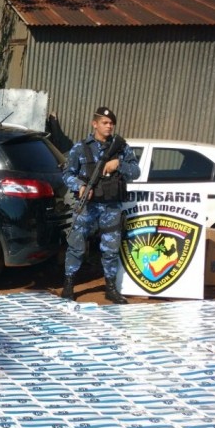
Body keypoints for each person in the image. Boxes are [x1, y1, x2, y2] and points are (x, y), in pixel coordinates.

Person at [61, 106, 140, 304]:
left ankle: (110, 289)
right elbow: (67, 174)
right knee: (76, 246)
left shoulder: (121, 148)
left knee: (110, 250)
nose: (109, 126)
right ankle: (69, 285)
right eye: (105, 123)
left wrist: (118, 164)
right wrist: (79, 186)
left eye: (111, 123)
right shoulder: (80, 148)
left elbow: (136, 172)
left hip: (111, 207)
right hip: (87, 206)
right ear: (94, 124)